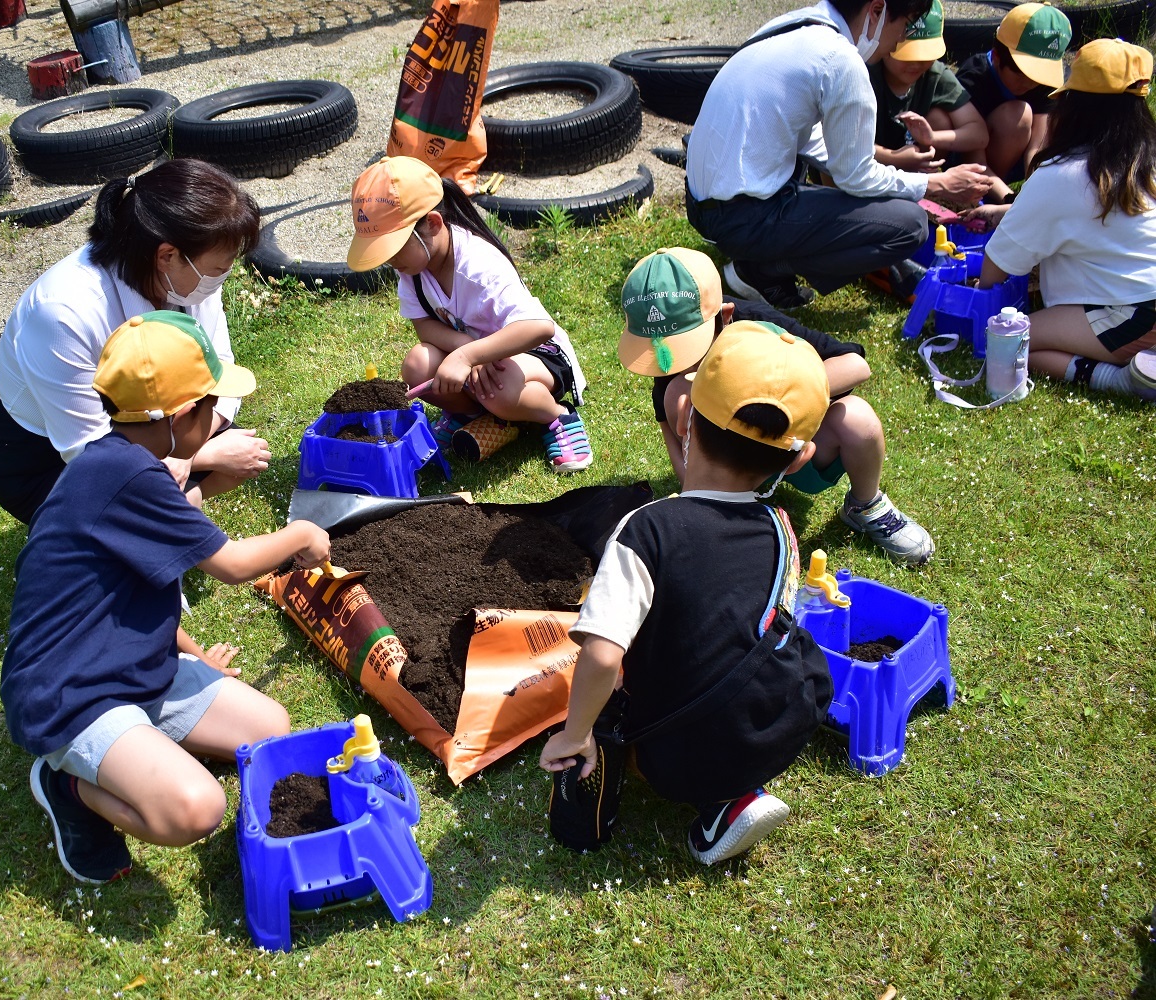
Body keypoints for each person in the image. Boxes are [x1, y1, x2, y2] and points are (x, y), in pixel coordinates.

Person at [1, 312, 332, 883]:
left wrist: (198, 660)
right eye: (213, 407)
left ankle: (140, 749)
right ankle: (69, 787)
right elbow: (230, 566)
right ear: (181, 418)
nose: (219, 419)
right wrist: (302, 534)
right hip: (71, 694)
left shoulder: (126, 462)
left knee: (270, 730)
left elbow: (134, 589)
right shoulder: (129, 480)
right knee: (197, 810)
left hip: (130, 664)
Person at [541, 321, 835, 865]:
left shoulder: (647, 529)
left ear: (684, 418)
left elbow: (603, 655)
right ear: (798, 458)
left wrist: (574, 734)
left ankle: (721, 801)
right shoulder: (781, 526)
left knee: (621, 707)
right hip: (786, 721)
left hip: (678, 757)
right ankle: (746, 780)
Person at [0, 159, 271, 524]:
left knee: (181, 470)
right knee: (127, 501)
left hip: (150, 424)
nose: (223, 277)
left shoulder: (189, 276)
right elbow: (89, 452)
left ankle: (180, 500)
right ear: (167, 256)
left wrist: (190, 447)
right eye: (218, 269)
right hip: (45, 457)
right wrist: (202, 456)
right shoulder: (62, 313)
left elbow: (219, 369)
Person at [621, 247, 934, 564]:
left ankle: (865, 505)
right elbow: (675, 449)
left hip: (787, 446)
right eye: (664, 354)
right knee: (677, 392)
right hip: (723, 460)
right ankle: (725, 507)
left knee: (858, 419)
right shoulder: (672, 375)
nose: (674, 364)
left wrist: (776, 393)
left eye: (689, 348)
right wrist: (693, 500)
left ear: (726, 316)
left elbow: (856, 365)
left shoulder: (759, 322)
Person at [685, 0, 993, 310]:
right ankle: (759, 271)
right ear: (876, 10)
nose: (902, 39)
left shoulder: (797, 25)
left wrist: (890, 166)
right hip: (738, 217)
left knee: (871, 201)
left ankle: (760, 257)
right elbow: (855, 178)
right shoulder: (841, 59)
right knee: (909, 225)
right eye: (908, 24)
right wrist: (936, 184)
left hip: (702, 205)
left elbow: (813, 141)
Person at [344, 155, 593, 472]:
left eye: (392, 248)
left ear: (432, 224)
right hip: (479, 358)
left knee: (499, 391)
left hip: (534, 356)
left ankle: (556, 416)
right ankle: (471, 416)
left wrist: (466, 357)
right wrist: (465, 348)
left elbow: (538, 328)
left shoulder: (479, 267)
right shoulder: (412, 270)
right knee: (417, 364)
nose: (388, 260)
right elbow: (424, 327)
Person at [966, 38, 1156, 403]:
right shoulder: (1141, 162)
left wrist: (979, 292)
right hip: (1143, 302)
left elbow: (997, 265)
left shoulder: (1061, 174)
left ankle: (1118, 381)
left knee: (1008, 341)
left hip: (1133, 316)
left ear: (1074, 107)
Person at [954, 1, 1072, 189]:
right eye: (1020, 74)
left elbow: (1038, 148)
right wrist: (1007, 198)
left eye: (1038, 76)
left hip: (1011, 162)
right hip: (969, 164)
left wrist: (1034, 192)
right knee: (1017, 114)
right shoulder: (975, 78)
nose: (1030, 83)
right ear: (998, 56)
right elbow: (973, 157)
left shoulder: (1044, 83)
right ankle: (984, 193)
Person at [869, 0, 989, 178]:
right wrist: (892, 158)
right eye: (907, 55)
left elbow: (978, 134)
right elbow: (840, 142)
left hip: (913, 167)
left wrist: (932, 138)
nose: (917, 63)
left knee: (939, 119)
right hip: (863, 166)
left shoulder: (934, 74)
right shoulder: (866, 73)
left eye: (925, 54)